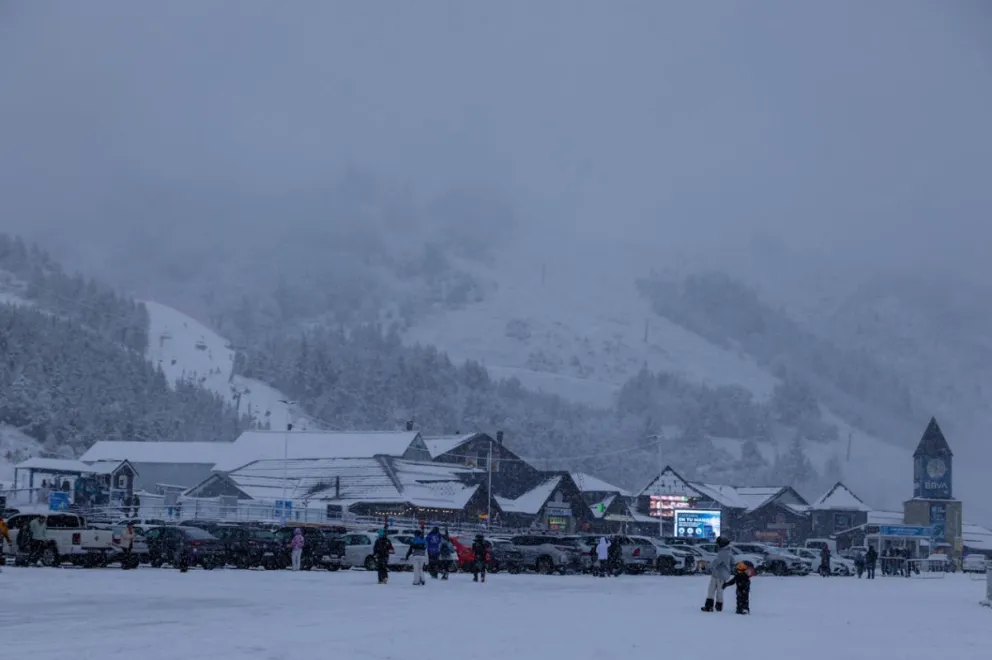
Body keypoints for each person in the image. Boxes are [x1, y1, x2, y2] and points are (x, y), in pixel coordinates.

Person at [702, 536, 733, 612]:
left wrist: (706, 566)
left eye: (718, 543)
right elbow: (732, 562)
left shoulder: (723, 552)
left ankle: (709, 606)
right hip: (721, 574)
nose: (717, 545)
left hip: (719, 575)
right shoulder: (729, 552)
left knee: (712, 590)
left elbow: (716, 563)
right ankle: (718, 606)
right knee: (719, 591)